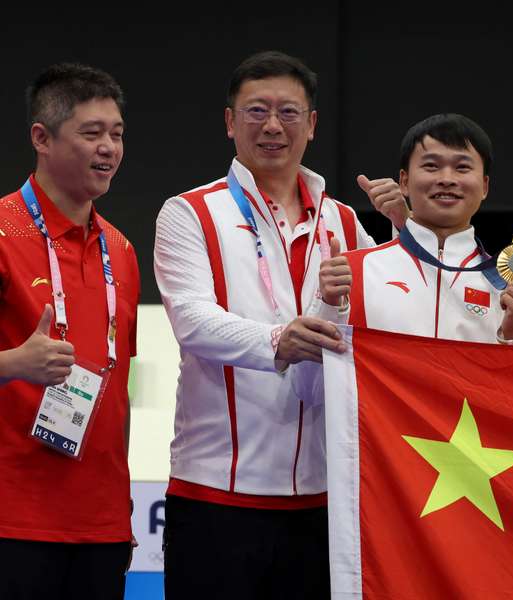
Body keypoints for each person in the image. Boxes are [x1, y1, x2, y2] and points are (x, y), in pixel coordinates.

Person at [154, 51, 374, 599]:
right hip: (216, 498)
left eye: (288, 112)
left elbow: (388, 317)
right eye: (256, 111)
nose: (272, 126)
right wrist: (279, 340)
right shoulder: (188, 212)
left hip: (325, 500)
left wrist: (406, 229)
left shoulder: (345, 221)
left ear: (313, 124)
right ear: (230, 122)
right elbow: (193, 321)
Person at [0, 63, 138, 599]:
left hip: (100, 525)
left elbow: (117, 386)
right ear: (42, 137)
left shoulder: (122, 250)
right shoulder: (4, 230)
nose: (109, 147)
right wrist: (14, 364)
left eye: (117, 134)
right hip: (13, 520)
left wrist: (121, 514)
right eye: (91, 133)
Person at [316, 113, 513, 344]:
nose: (447, 178)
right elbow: (316, 369)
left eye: (462, 167)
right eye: (431, 166)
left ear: (484, 186)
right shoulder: (353, 271)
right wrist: (330, 307)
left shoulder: (510, 289)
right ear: (404, 182)